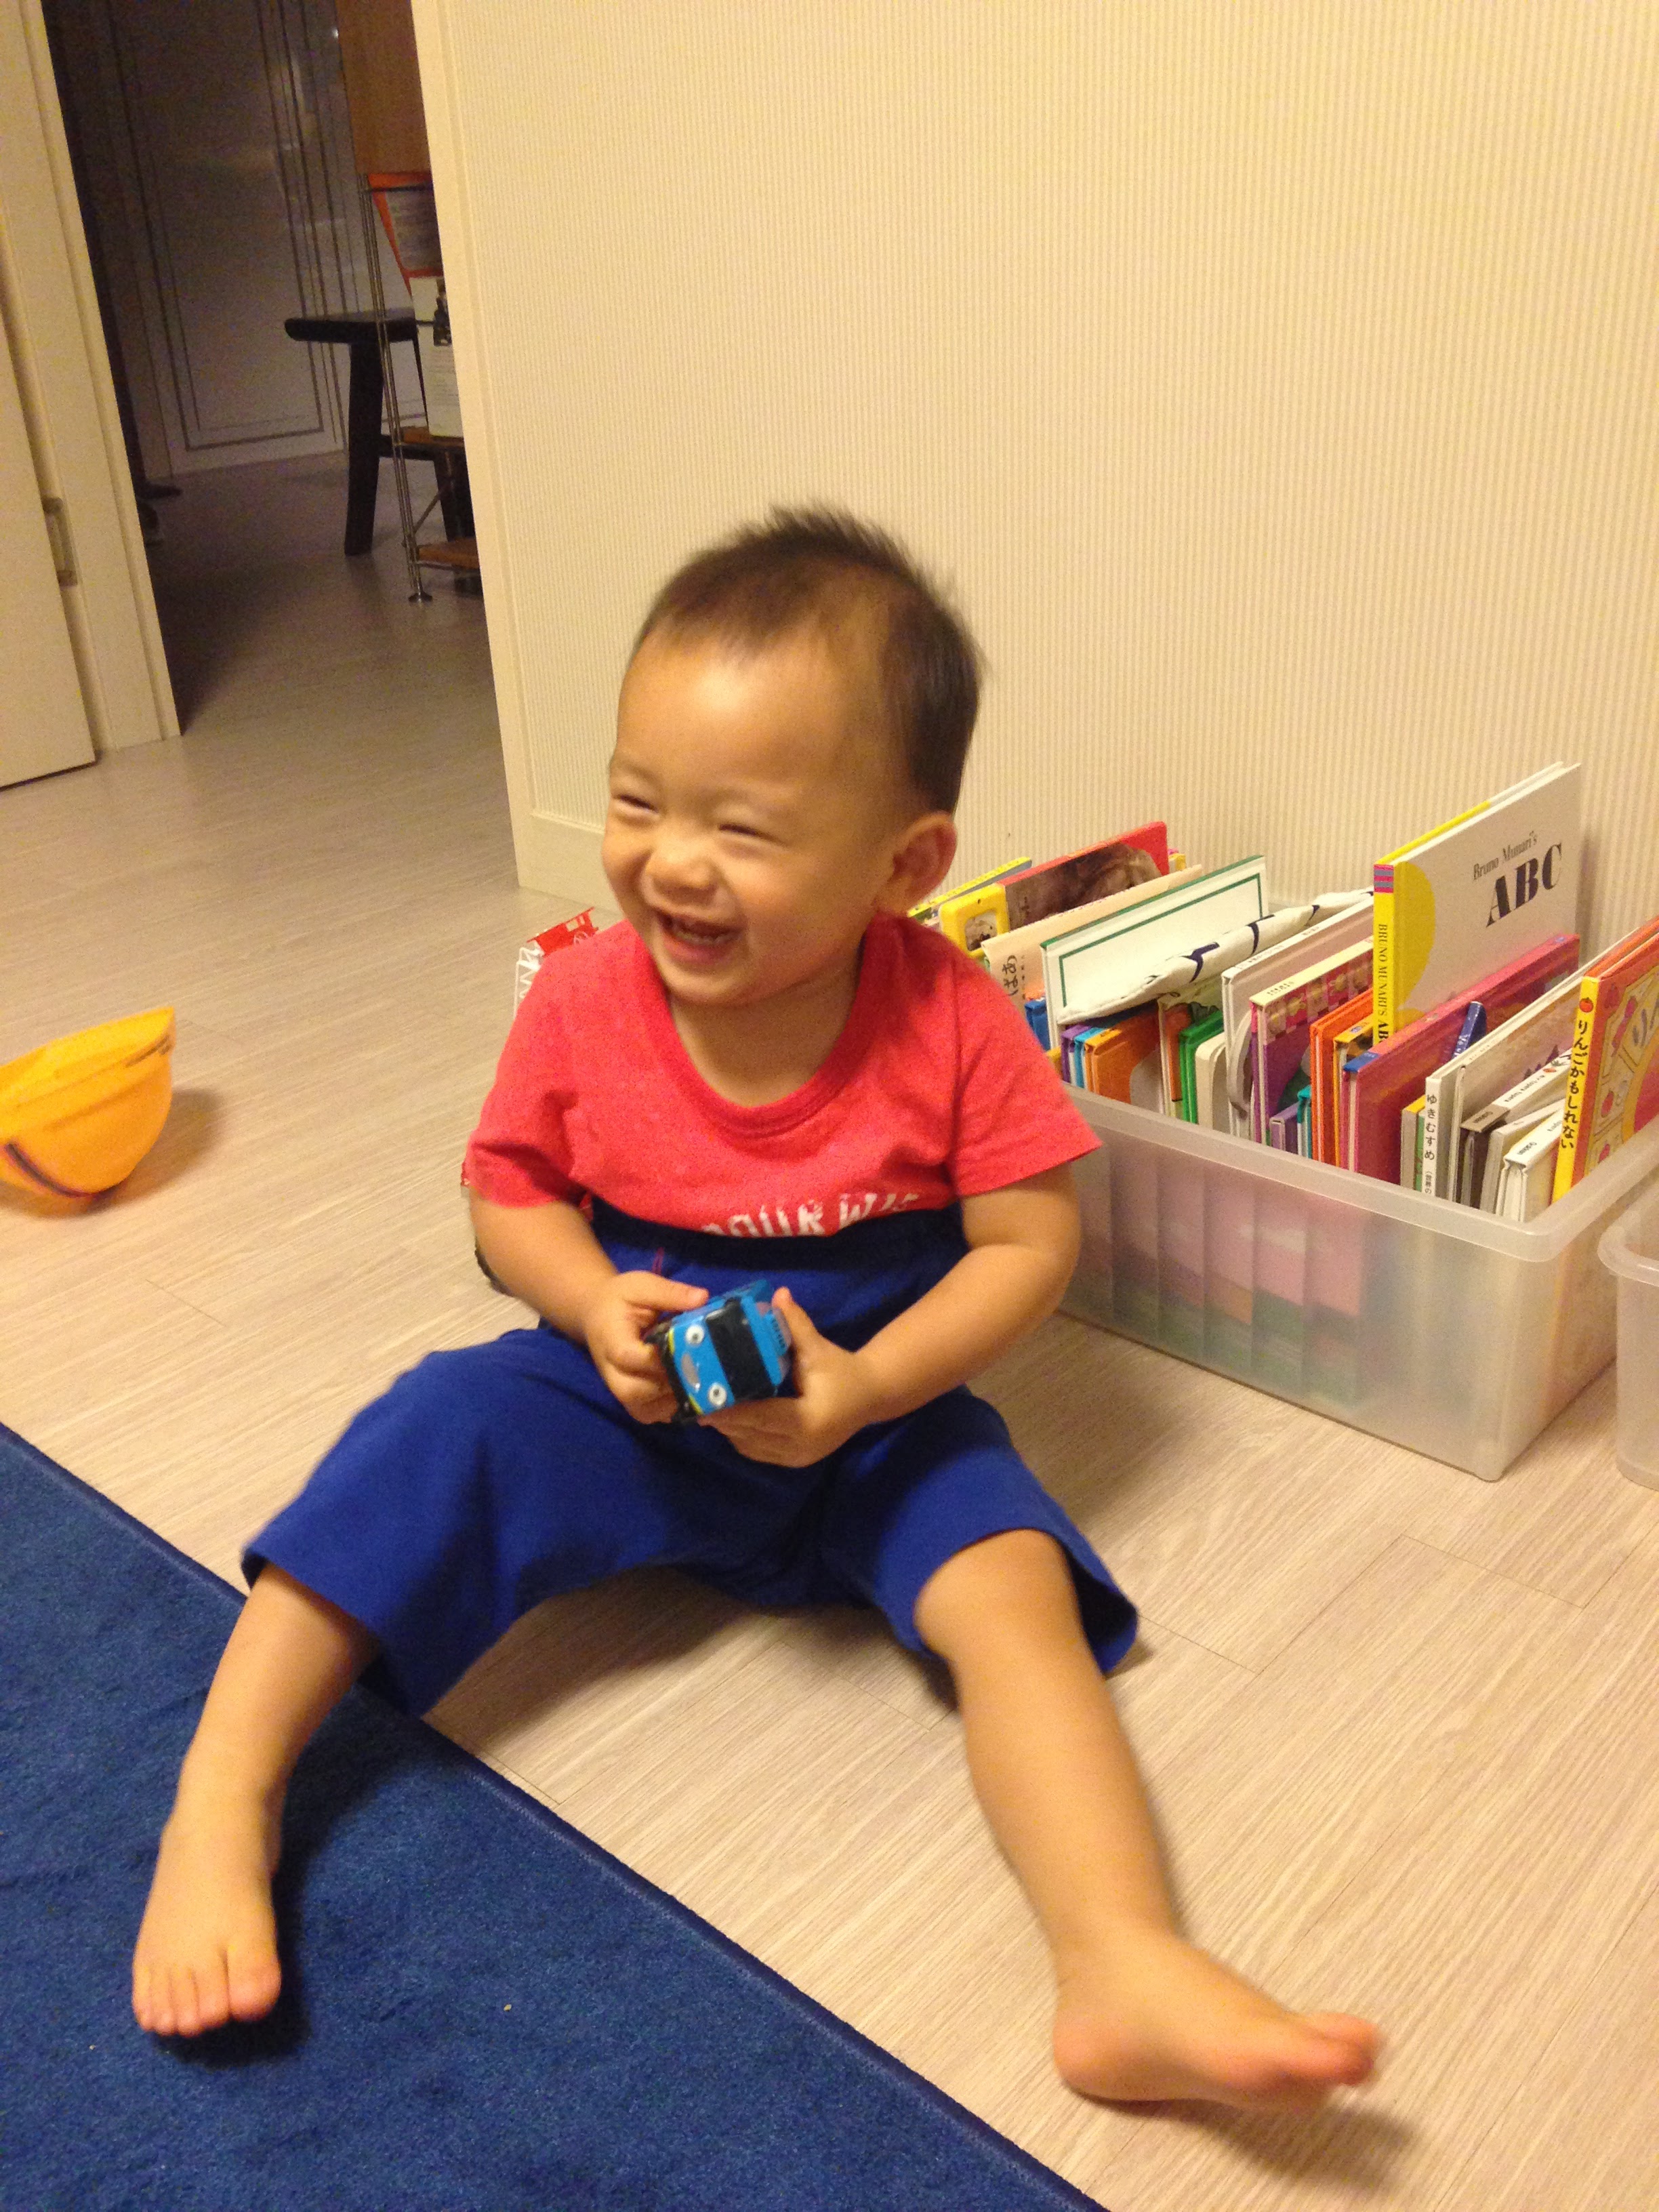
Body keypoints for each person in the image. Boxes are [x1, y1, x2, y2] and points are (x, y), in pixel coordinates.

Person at [132, 511, 1381, 2108]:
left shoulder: (953, 1016)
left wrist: (872, 1389)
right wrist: (591, 1302)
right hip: (626, 1399)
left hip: (874, 1415)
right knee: (432, 1428)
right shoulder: (585, 999)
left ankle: (1121, 1961)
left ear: (904, 865)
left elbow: (1028, 1245)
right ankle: (223, 1798)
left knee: (1016, 1594)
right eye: (638, 801)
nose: (674, 861)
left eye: (745, 828)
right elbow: (508, 1195)